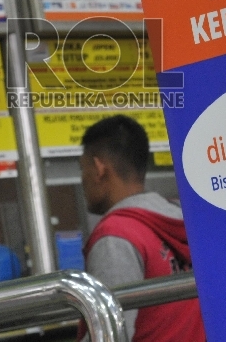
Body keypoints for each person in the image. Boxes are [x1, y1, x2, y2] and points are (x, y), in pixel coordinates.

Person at [79, 115, 205, 342]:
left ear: (99, 168)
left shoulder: (116, 238)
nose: (82, 180)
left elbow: (110, 335)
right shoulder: (181, 222)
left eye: (83, 169)